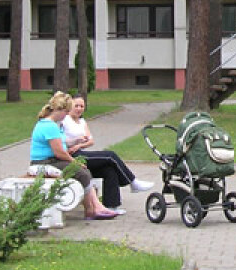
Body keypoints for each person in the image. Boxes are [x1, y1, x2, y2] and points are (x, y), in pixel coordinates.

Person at [31, 91, 118, 220]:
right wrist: (74, 162)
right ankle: (92, 209)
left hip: (52, 160)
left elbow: (61, 146)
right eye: (66, 112)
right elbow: (59, 152)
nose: (66, 115)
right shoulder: (50, 126)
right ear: (59, 110)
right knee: (82, 172)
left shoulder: (51, 124)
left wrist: (76, 142)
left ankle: (94, 207)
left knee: (84, 171)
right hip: (45, 162)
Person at [62, 95, 154, 212]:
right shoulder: (65, 120)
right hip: (72, 157)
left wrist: (79, 145)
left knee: (109, 169)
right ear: (70, 106)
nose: (79, 109)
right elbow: (61, 140)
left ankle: (112, 206)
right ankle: (133, 182)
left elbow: (91, 141)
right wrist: (77, 141)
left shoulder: (82, 121)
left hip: (79, 151)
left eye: (82, 106)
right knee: (110, 155)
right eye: (76, 106)